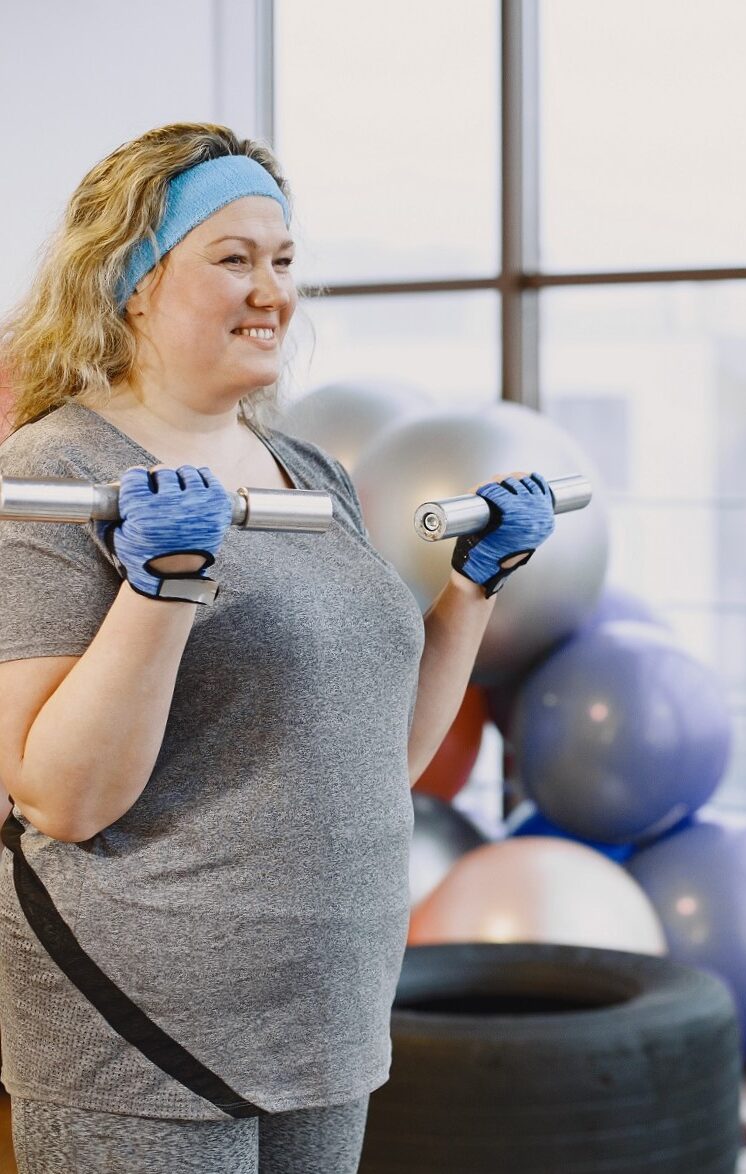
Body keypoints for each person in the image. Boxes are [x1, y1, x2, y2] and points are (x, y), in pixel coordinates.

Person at [0, 122, 555, 1173]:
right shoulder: (58, 468)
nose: (273, 291)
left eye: (285, 260)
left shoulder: (303, 469)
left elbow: (375, 757)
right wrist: (161, 587)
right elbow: (62, 798)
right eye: (234, 258)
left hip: (323, 1024)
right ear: (132, 280)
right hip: (140, 1035)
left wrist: (471, 588)